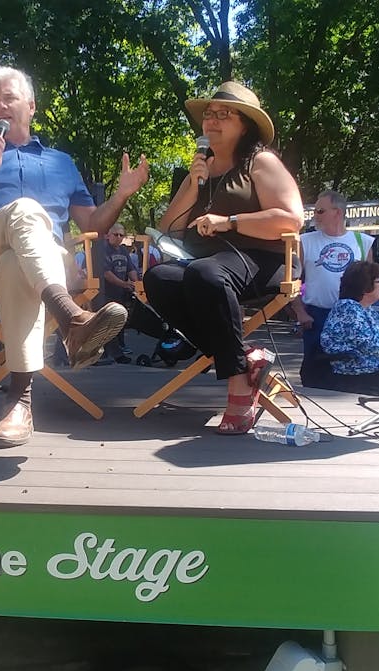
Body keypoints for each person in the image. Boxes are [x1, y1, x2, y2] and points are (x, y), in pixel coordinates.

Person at [0, 66, 146, 447]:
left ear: (31, 106)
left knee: (19, 263)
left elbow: (92, 222)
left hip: (42, 263)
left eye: (8, 98)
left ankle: (19, 404)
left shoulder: (62, 162)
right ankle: (72, 318)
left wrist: (121, 196)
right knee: (25, 210)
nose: (0, 106)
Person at [143, 80, 305, 435]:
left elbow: (292, 219)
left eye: (224, 114)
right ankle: (245, 360)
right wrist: (192, 184)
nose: (212, 121)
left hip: (265, 259)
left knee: (204, 274)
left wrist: (228, 222)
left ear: (244, 124)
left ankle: (239, 386)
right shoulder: (199, 169)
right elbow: (168, 228)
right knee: (158, 279)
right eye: (209, 115)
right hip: (211, 266)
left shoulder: (260, 163)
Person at [292, 189, 375, 375]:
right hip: (317, 316)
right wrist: (300, 312)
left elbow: (372, 282)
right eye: (315, 211)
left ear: (337, 212)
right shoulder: (304, 241)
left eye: (320, 211)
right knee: (315, 369)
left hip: (353, 317)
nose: (315, 216)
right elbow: (292, 279)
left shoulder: (363, 241)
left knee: (353, 367)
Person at [312, 261, 379, 395]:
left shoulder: (366, 309)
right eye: (378, 282)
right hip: (360, 370)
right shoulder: (347, 309)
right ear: (365, 286)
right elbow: (368, 344)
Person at [93, 223, 139, 364]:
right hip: (102, 293)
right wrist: (124, 284)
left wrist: (137, 284)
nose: (119, 237)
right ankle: (113, 355)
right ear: (108, 235)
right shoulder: (102, 250)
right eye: (116, 234)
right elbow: (106, 273)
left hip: (118, 294)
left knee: (117, 324)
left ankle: (115, 352)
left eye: (121, 235)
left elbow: (131, 269)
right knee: (106, 324)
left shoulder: (124, 251)